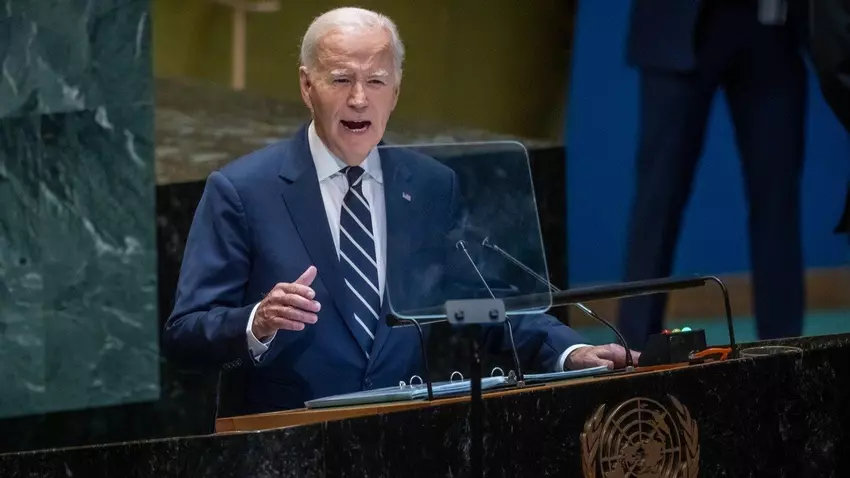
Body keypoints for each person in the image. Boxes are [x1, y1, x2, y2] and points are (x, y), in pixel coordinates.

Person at [163, 7, 637, 414]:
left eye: (376, 81)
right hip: (285, 445)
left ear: (396, 91)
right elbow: (185, 334)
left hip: (402, 437)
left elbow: (475, 303)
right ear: (307, 86)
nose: (359, 99)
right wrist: (257, 321)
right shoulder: (244, 191)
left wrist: (570, 350)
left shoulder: (429, 186)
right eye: (341, 79)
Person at [619, 0, 809, 349]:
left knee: (778, 201)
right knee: (658, 199)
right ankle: (634, 351)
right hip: (677, 22)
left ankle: (785, 352)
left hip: (774, 24)